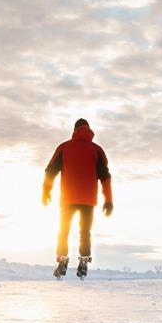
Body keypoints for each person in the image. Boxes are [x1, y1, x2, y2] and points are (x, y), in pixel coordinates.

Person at [42, 118, 113, 278]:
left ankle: (62, 261)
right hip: (88, 200)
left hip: (67, 198)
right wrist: (108, 200)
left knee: (63, 231)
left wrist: (46, 191)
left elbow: (50, 171)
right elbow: (105, 177)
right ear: (89, 130)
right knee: (85, 232)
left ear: (74, 130)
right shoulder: (97, 150)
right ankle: (83, 263)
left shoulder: (64, 147)